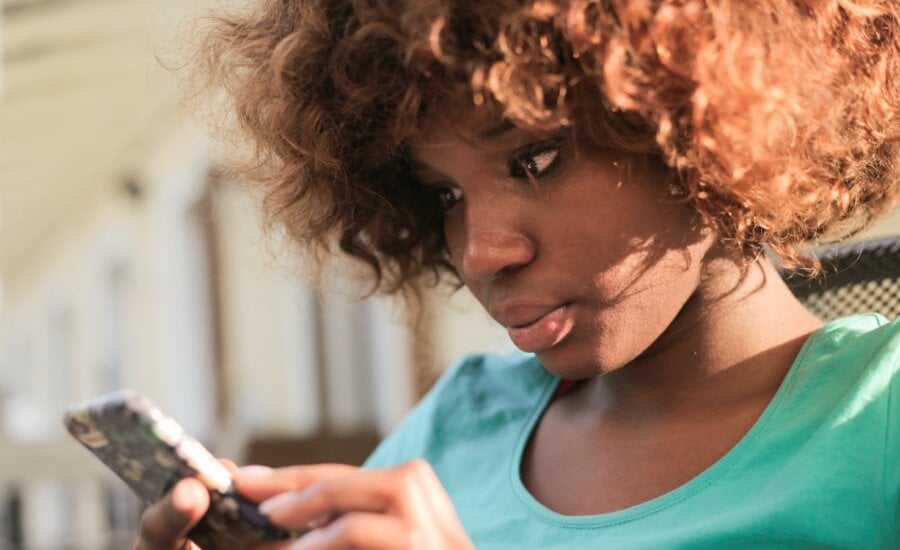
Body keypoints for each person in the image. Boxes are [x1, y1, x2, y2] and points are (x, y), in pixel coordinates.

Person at [136, 0, 900, 548]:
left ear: (702, 126)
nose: (479, 252)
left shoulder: (880, 417)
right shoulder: (460, 420)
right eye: (444, 196)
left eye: (534, 160)